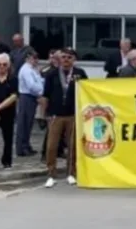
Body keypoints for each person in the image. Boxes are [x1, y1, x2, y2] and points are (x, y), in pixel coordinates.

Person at [42, 48, 87, 188]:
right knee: (51, 146)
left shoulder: (80, 73)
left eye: (69, 57)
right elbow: (45, 95)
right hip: (55, 115)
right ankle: (51, 174)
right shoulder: (52, 74)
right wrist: (45, 114)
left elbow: (87, 92)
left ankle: (71, 173)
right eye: (63, 57)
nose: (66, 60)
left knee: (72, 145)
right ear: (59, 59)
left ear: (74, 59)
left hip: (72, 114)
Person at [16, 50, 44, 157]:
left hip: (31, 97)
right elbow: (32, 85)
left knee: (29, 124)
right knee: (24, 123)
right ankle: (22, 148)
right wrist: (41, 92)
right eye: (34, 58)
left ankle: (26, 145)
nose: (36, 60)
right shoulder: (26, 70)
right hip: (26, 97)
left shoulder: (32, 69)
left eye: (37, 58)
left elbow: (40, 81)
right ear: (28, 58)